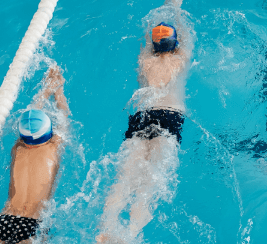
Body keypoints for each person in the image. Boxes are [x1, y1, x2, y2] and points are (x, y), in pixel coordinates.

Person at [96, 0, 192, 243]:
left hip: (142, 115)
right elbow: (187, 38)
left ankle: (105, 227)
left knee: (124, 177)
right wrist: (175, 9)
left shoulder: (144, 60)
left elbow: (146, 40)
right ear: (175, 44)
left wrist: (156, 20)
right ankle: (130, 234)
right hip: (170, 115)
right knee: (149, 185)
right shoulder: (181, 59)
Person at [0, 66, 70, 244]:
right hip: (32, 223)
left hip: (4, 221)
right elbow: (64, 117)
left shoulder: (17, 148)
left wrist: (44, 91)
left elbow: (30, 116)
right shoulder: (54, 147)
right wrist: (58, 91)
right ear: (48, 132)